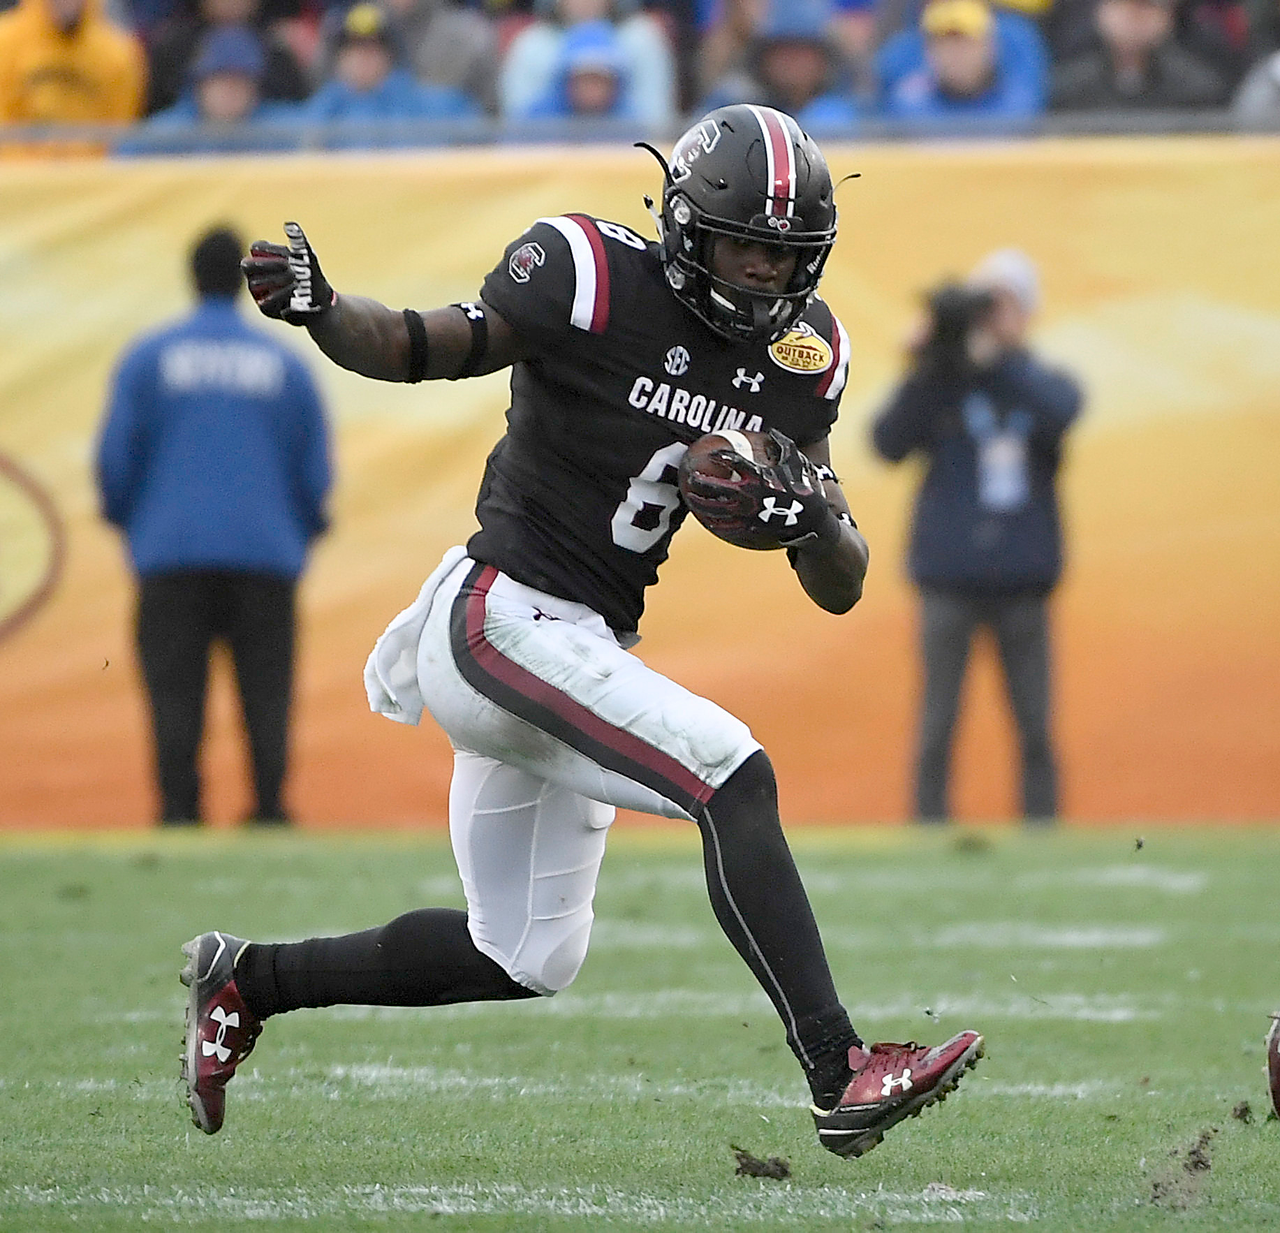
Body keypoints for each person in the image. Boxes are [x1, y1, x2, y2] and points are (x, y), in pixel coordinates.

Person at [180, 104, 984, 1159]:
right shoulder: (588, 272)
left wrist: (812, 519)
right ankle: (839, 1070)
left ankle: (248, 978)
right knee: (730, 774)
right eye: (743, 245)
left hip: (581, 640)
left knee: (523, 953)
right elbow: (422, 344)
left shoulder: (803, 352)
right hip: (497, 613)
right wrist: (325, 309)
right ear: (687, 227)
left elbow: (840, 583)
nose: (764, 272)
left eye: (787, 254)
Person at [96, 226, 331, 827]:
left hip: (169, 553)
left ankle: (179, 815)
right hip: (265, 555)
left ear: (191, 277)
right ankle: (270, 810)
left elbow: (116, 461)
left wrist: (133, 522)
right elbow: (314, 470)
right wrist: (302, 526)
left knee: (174, 698)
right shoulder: (285, 363)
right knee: (267, 696)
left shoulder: (149, 357)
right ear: (246, 284)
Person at [871, 249, 1082, 825]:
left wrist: (1002, 356)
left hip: (1023, 579)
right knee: (937, 720)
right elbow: (887, 442)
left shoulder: (1036, 382)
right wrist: (932, 361)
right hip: (949, 578)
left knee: (1035, 722)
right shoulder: (943, 384)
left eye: (1002, 303)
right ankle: (928, 828)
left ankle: (1043, 829)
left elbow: (1064, 411)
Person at [877, 0, 1047, 126]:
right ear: (928, 52)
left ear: (990, 47)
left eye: (966, 43)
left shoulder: (1020, 107)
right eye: (945, 44)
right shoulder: (907, 110)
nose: (957, 54)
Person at [0, 0, 145, 146]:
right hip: (19, 159)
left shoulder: (118, 54)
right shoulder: (5, 43)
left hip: (90, 159)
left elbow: (118, 134)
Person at [1050, 0, 1228, 110]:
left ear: (1168, 17)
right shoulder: (1069, 87)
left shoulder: (1198, 88)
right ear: (1100, 12)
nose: (1133, 18)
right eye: (1123, 5)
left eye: (1146, 7)